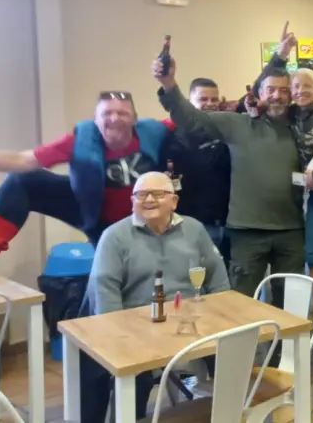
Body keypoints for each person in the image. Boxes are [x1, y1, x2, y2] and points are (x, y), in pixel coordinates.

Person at [154, 43, 304, 311]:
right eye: (271, 90)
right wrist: (169, 84)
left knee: (291, 306)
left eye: (284, 90)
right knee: (240, 305)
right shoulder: (236, 124)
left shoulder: (301, 128)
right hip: (247, 232)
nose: (278, 96)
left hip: (292, 231)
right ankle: (245, 342)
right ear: (259, 93)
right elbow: (192, 119)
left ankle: (285, 342)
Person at [82, 172, 229, 422]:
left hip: (192, 323)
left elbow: (218, 279)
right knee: (133, 374)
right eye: (141, 195)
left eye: (157, 194)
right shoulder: (114, 237)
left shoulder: (194, 229)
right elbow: (105, 294)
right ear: (132, 201)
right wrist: (122, 339)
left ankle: (228, 412)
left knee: (233, 350)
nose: (148, 200)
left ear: (174, 201)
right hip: (136, 328)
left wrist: (224, 318)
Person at [0, 91, 172, 276]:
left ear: (135, 119)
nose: (114, 119)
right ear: (96, 120)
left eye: (122, 113)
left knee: (130, 278)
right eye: (107, 113)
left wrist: (171, 87)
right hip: (94, 213)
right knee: (23, 180)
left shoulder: (154, 132)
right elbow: (22, 160)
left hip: (142, 219)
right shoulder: (80, 141)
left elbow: (187, 118)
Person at [257, 23, 313, 339]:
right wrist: (280, 55)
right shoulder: (292, 114)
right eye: (295, 87)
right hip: (308, 194)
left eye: (306, 86)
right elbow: (260, 89)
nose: (299, 92)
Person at [166, 77, 232, 256]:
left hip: (230, 224)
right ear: (189, 103)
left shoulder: (229, 131)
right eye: (203, 99)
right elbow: (173, 183)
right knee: (197, 272)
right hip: (195, 225)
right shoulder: (176, 139)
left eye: (214, 99)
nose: (209, 104)